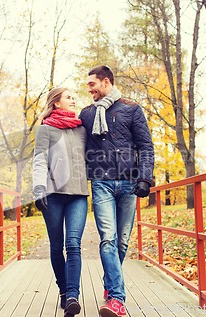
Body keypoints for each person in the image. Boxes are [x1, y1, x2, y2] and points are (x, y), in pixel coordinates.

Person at [79, 65, 154, 317]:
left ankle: (110, 284)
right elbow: (70, 137)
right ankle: (117, 299)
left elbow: (145, 145)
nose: (88, 89)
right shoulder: (87, 114)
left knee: (122, 242)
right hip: (100, 182)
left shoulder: (131, 108)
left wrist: (145, 177)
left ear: (106, 82)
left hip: (129, 183)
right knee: (108, 239)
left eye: (92, 84)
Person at [32, 87, 89, 317]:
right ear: (56, 103)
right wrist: (38, 189)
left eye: (75, 97)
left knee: (73, 244)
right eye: (68, 97)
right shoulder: (45, 130)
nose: (74, 100)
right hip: (53, 196)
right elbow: (39, 161)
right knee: (57, 247)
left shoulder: (82, 129)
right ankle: (64, 291)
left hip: (78, 195)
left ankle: (73, 295)